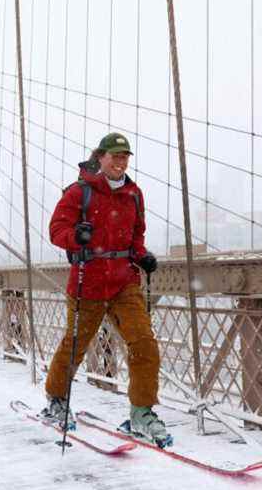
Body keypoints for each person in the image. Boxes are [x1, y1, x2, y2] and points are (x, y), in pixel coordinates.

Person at [42, 132, 170, 447]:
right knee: (75, 346)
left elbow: (135, 236)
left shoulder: (134, 194)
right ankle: (57, 400)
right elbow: (56, 230)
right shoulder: (79, 192)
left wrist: (142, 256)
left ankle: (141, 412)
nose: (120, 162)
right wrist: (76, 238)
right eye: (115, 156)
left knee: (144, 344)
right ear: (101, 157)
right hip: (89, 280)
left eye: (125, 156)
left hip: (124, 282)